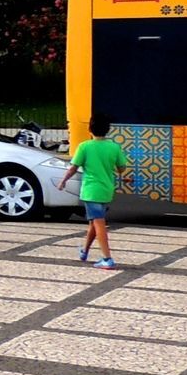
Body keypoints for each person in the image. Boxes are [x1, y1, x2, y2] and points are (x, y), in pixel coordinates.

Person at [59, 114, 129, 269]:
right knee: (94, 221)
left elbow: (73, 167)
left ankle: (107, 258)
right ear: (108, 130)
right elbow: (122, 168)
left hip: (91, 190)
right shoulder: (114, 147)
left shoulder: (85, 146)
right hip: (106, 190)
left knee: (99, 223)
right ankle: (85, 251)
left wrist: (63, 180)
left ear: (90, 128)